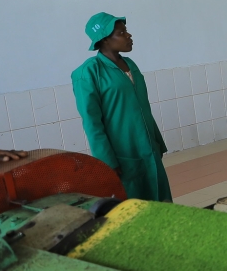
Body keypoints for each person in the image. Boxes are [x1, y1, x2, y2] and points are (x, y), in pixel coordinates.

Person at [71, 13, 172, 201]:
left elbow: (143, 108)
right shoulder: (88, 72)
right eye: (122, 32)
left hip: (148, 148)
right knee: (133, 205)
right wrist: (106, 161)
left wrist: (157, 143)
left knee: (160, 200)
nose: (129, 36)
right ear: (105, 39)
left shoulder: (130, 64)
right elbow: (92, 122)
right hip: (123, 154)